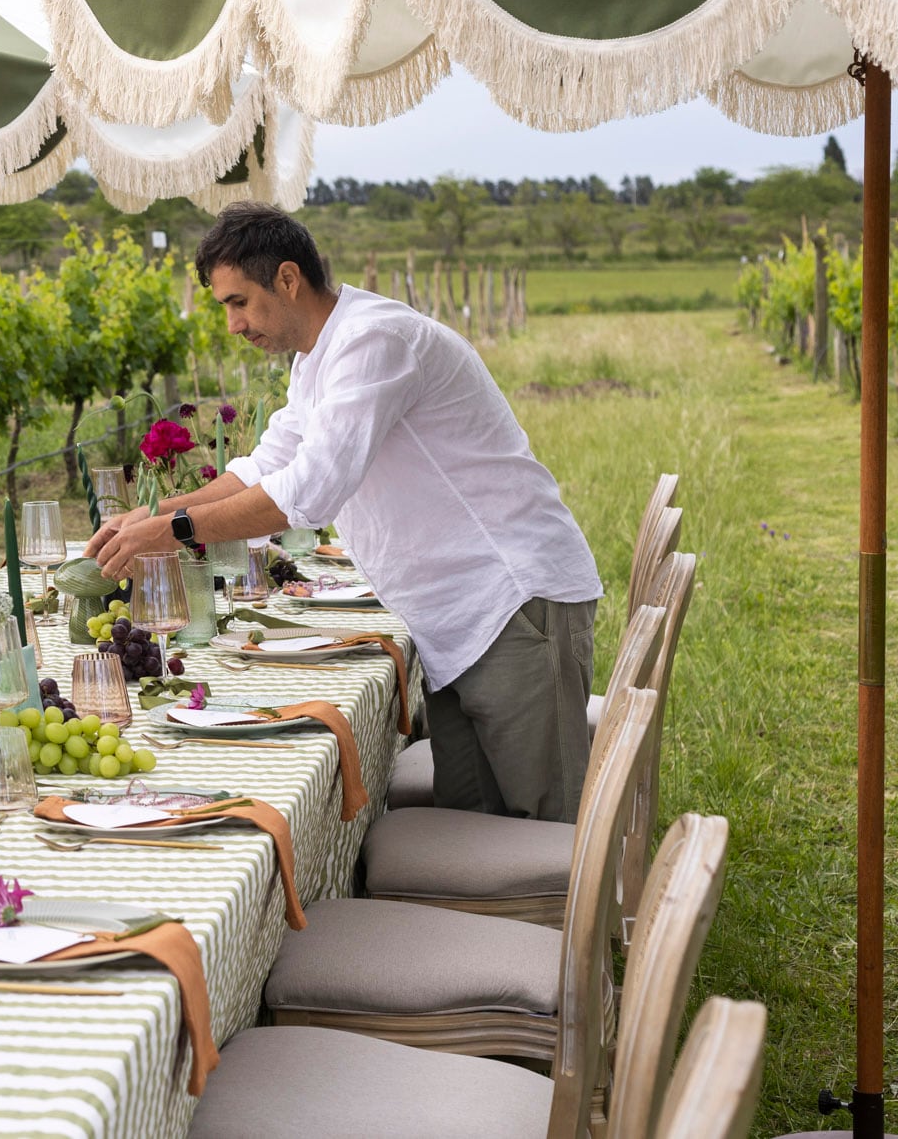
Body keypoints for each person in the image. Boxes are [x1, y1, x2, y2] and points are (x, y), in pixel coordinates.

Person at [89, 202, 602, 822]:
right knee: (474, 824)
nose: (232, 324)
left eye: (238, 302)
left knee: (549, 834)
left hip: (511, 602)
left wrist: (174, 532)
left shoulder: (373, 340)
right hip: (455, 620)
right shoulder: (316, 358)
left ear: (287, 278)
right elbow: (267, 464)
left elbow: (308, 491)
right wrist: (156, 512)